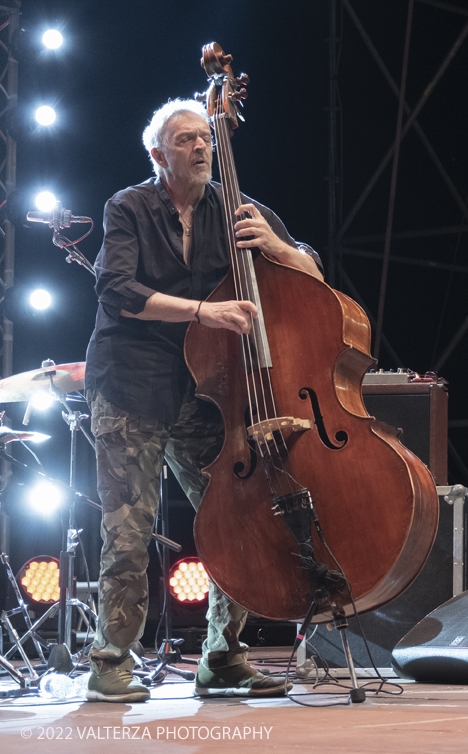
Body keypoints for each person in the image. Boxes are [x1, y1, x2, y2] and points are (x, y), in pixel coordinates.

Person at [83, 99, 322, 702]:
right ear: (159, 155)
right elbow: (117, 291)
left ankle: (221, 656)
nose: (200, 146)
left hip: (205, 393)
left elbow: (313, 277)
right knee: (128, 532)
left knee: (239, 515)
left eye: (205, 137)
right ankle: (112, 660)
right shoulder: (128, 206)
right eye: (185, 139)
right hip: (130, 387)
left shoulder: (237, 207)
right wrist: (202, 311)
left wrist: (280, 247)